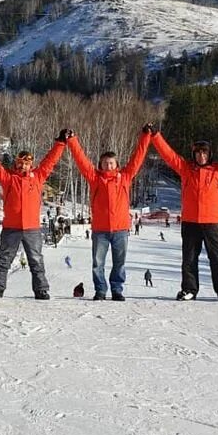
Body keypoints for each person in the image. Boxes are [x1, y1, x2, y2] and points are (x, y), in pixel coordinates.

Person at [152, 127, 218, 302]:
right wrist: (156, 136)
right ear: (194, 155)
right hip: (191, 222)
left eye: (204, 153)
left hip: (212, 222)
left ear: (209, 155)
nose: (201, 156)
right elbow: (168, 155)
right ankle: (189, 289)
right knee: (189, 258)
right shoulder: (186, 169)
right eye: (198, 153)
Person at [0, 130, 66, 300]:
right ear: (16, 164)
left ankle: (41, 289)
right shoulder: (8, 178)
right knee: (4, 258)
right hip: (11, 227)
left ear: (31, 165)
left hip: (32, 228)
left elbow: (50, 161)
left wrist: (60, 143)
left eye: (26, 163)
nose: (23, 166)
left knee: (36, 260)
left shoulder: (38, 177)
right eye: (20, 163)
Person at [67, 125, 151, 302]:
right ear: (100, 165)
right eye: (105, 163)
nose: (108, 165)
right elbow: (81, 160)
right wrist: (72, 140)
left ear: (117, 164)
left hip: (120, 230)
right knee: (98, 264)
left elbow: (138, 158)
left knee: (119, 263)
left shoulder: (125, 177)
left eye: (111, 162)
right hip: (101, 230)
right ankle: (100, 290)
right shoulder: (95, 178)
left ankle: (117, 290)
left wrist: (146, 136)